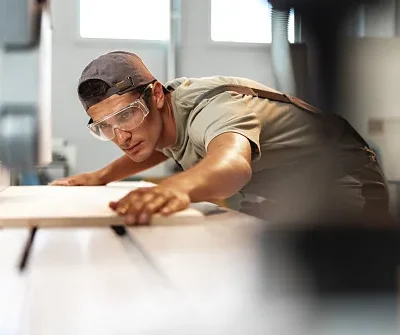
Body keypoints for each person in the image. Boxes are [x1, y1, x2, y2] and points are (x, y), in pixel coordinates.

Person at [51, 51, 391, 226]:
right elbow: (158, 145)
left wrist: (176, 187)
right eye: (105, 127)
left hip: (347, 186)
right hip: (284, 190)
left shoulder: (212, 108)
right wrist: (103, 176)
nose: (121, 136)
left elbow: (232, 165)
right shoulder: (163, 117)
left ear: (155, 95)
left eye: (125, 115)